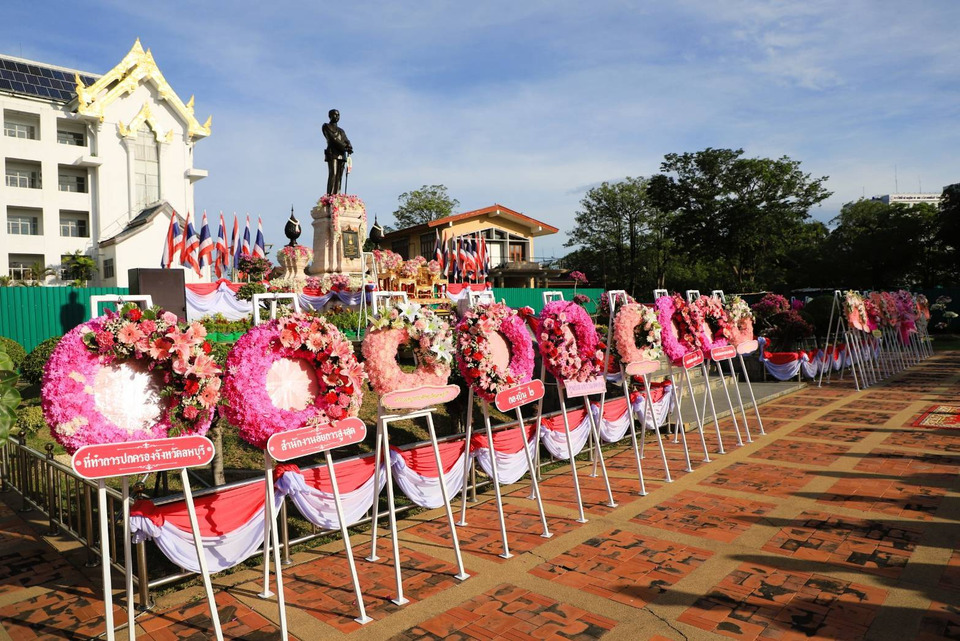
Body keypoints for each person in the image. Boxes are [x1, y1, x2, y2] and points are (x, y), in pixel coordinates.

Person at [323, 109, 352, 194]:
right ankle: (330, 196)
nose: (337, 116)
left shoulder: (341, 131)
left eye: (338, 115)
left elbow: (346, 140)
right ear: (330, 116)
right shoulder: (326, 126)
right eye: (335, 114)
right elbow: (333, 139)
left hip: (341, 155)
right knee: (333, 174)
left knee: (339, 177)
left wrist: (349, 146)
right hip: (333, 153)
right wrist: (345, 147)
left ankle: (337, 195)